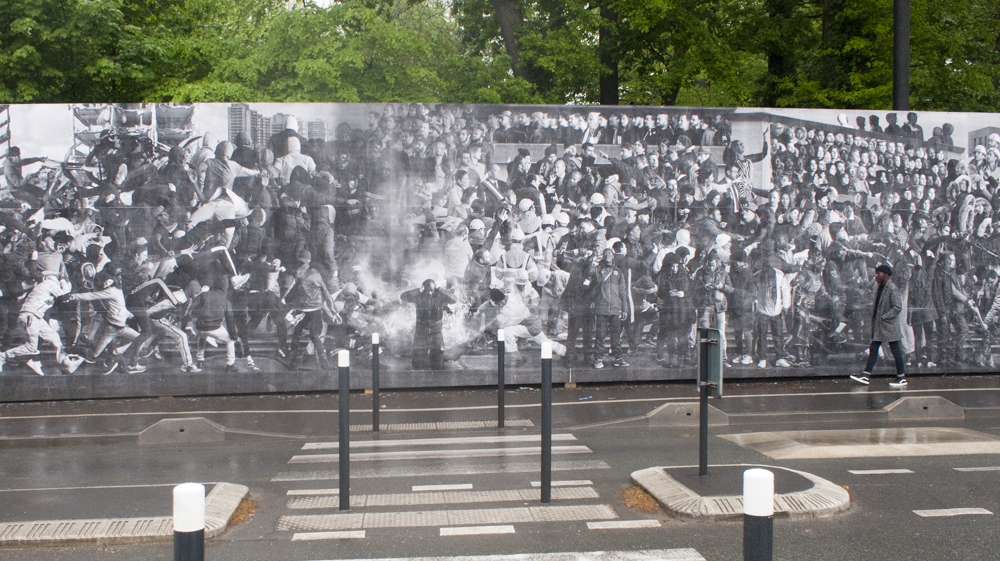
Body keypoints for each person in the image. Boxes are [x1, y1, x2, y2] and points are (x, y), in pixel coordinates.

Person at [851, 264, 907, 387]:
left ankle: (901, 377)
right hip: (881, 326)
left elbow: (897, 306)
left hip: (888, 326)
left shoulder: (892, 288)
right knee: (874, 348)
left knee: (895, 350)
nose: (876, 276)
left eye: (878, 273)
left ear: (886, 275)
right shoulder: (881, 286)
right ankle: (866, 374)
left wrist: (884, 317)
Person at [400, 279, 455, 370]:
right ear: (423, 290)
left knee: (437, 363)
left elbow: (454, 300)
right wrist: (418, 290)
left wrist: (440, 290)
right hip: (421, 334)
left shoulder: (440, 295)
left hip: (436, 334)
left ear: (435, 290)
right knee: (418, 363)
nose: (429, 293)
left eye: (431, 291)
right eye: (427, 291)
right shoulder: (418, 296)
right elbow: (403, 297)